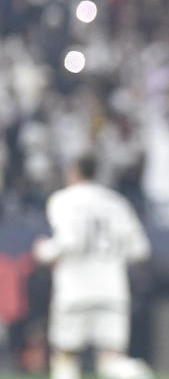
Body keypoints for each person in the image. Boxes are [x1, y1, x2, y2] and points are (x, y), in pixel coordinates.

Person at [32, 157, 154, 379]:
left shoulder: (63, 199)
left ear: (74, 171)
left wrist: (44, 251)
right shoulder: (116, 203)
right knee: (111, 360)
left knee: (66, 357)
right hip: (112, 289)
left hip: (74, 289)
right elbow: (140, 249)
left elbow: (70, 241)